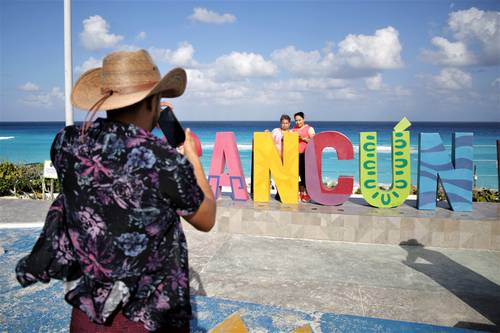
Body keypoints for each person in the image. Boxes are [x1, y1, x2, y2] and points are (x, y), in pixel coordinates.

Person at [15, 50, 216, 332]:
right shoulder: (163, 160)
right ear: (152, 103)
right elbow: (206, 218)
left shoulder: (66, 142)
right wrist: (191, 157)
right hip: (148, 318)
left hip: (87, 312)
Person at [292, 112, 315, 203]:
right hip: (295, 156)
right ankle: (300, 193)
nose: (298, 122)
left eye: (299, 120)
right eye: (296, 120)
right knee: (297, 176)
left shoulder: (309, 129)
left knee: (305, 175)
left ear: (303, 119)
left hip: (306, 155)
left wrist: (303, 138)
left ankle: (307, 194)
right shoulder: (293, 130)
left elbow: (314, 142)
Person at [270, 114, 291, 201]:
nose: (284, 125)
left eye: (286, 123)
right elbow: (269, 140)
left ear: (289, 124)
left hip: (287, 159)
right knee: (277, 176)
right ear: (280, 123)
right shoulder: (275, 131)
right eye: (283, 123)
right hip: (276, 157)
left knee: (285, 177)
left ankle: (281, 194)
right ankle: (278, 192)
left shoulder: (291, 133)